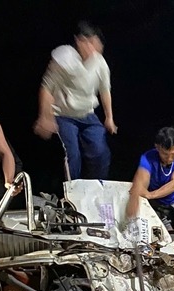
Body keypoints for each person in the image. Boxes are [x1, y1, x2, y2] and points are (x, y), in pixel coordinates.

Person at [33, 21, 117, 180]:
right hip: (64, 115)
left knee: (100, 151)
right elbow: (47, 88)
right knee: (72, 154)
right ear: (79, 41)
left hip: (87, 114)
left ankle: (96, 187)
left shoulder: (100, 63)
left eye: (96, 44)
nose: (93, 49)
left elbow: (105, 90)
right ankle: (72, 189)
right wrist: (45, 116)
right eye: (89, 43)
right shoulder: (64, 58)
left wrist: (109, 117)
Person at [127, 126, 174, 229]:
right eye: (165, 154)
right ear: (157, 147)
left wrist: (150, 195)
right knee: (164, 234)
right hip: (159, 203)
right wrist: (133, 206)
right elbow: (141, 182)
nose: (169, 159)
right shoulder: (148, 158)